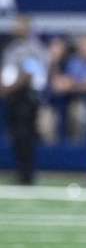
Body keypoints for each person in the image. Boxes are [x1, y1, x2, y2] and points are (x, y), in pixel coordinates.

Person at [1, 17, 48, 184]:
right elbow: (7, 71)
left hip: (27, 97)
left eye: (20, 26)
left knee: (25, 135)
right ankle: (21, 172)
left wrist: (9, 88)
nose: (16, 29)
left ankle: (28, 174)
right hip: (12, 96)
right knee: (15, 136)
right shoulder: (12, 48)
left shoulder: (33, 48)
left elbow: (30, 73)